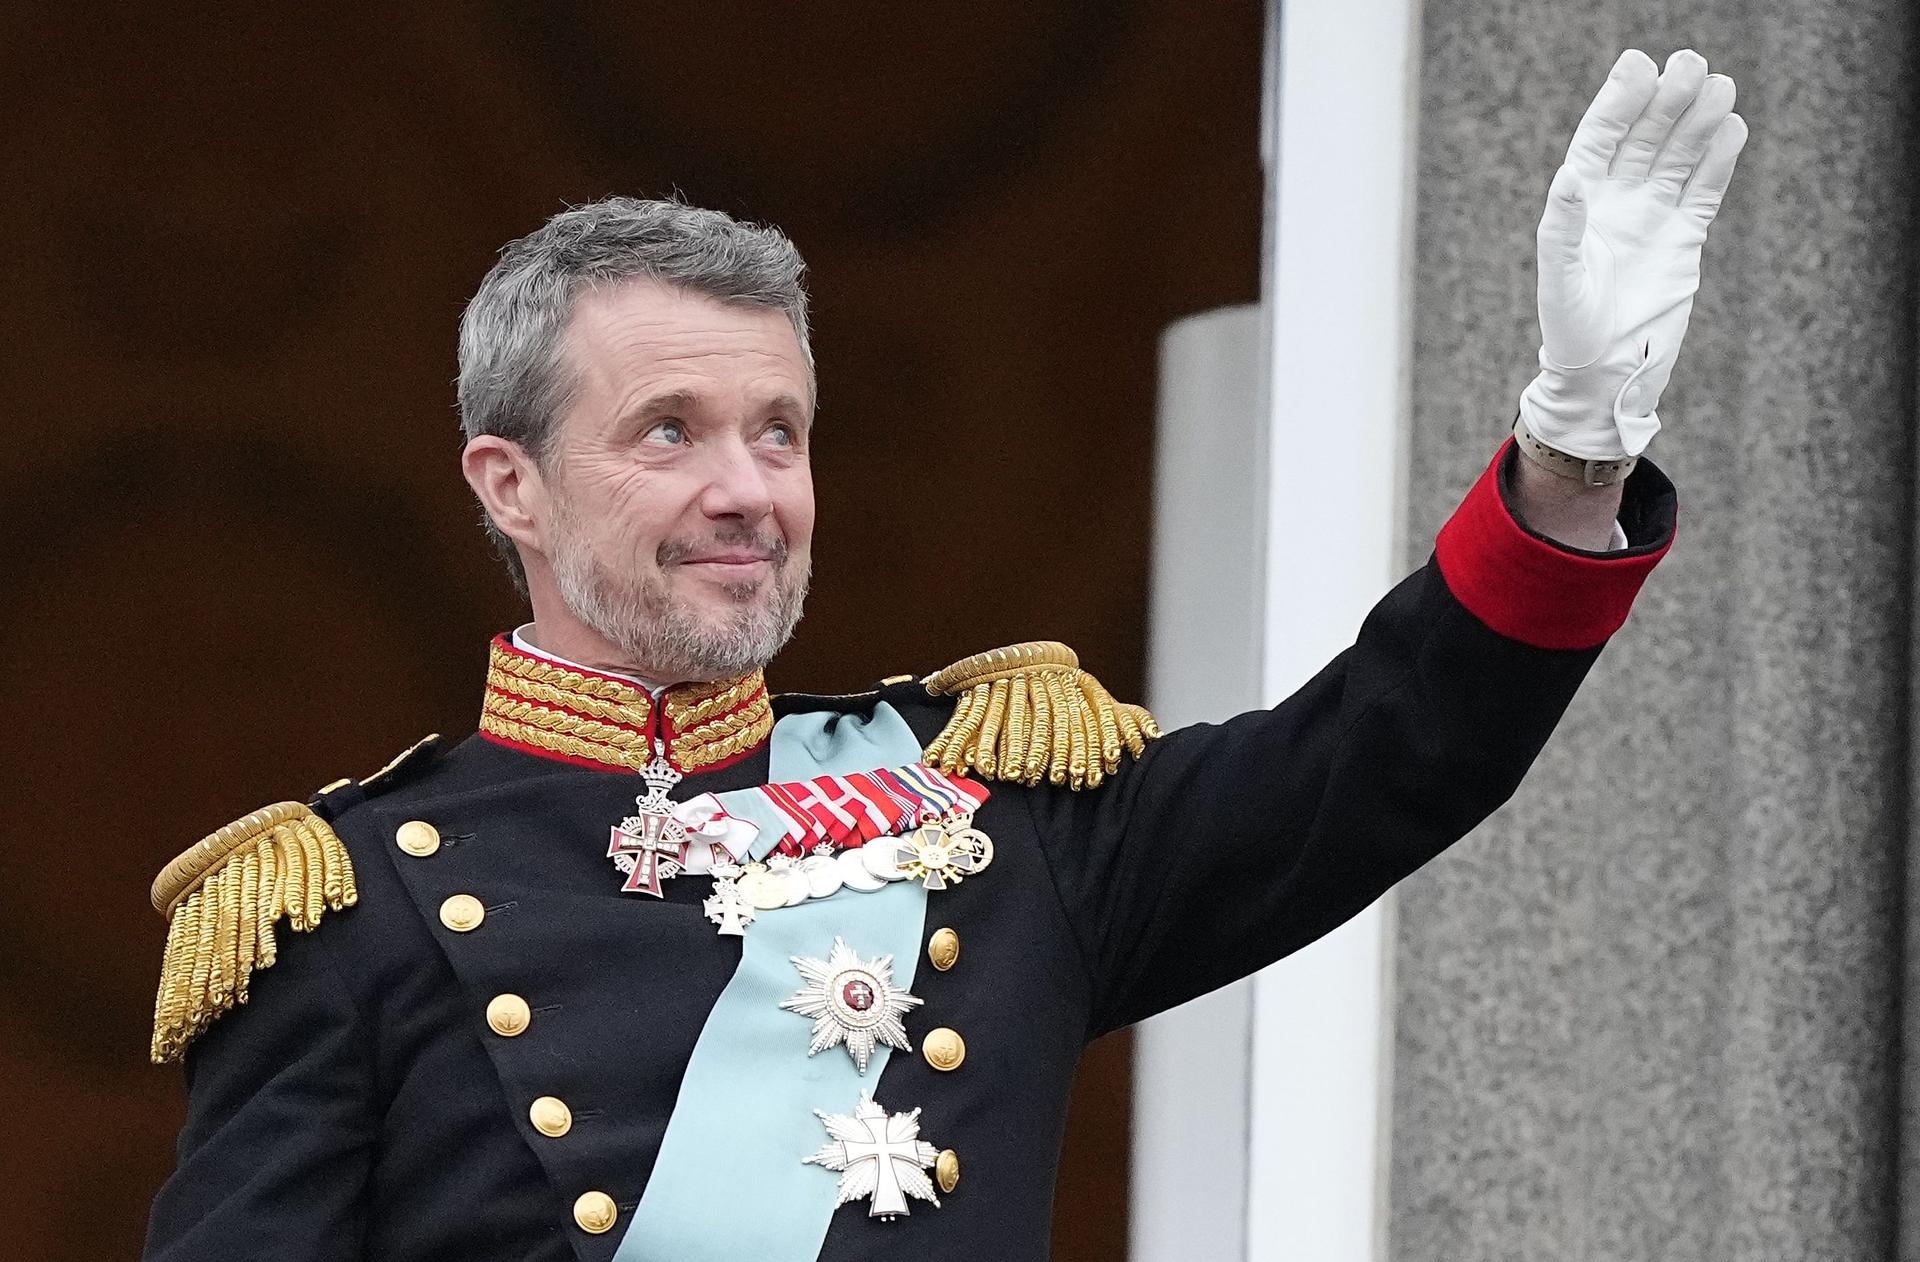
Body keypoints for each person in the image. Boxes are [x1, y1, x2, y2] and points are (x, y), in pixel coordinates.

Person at [142, 47, 1742, 1262]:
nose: (747, 491)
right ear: (514, 484)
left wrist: (1572, 455)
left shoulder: (991, 813)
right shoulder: (345, 912)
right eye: (671, 433)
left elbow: (1389, 751)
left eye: (781, 431)